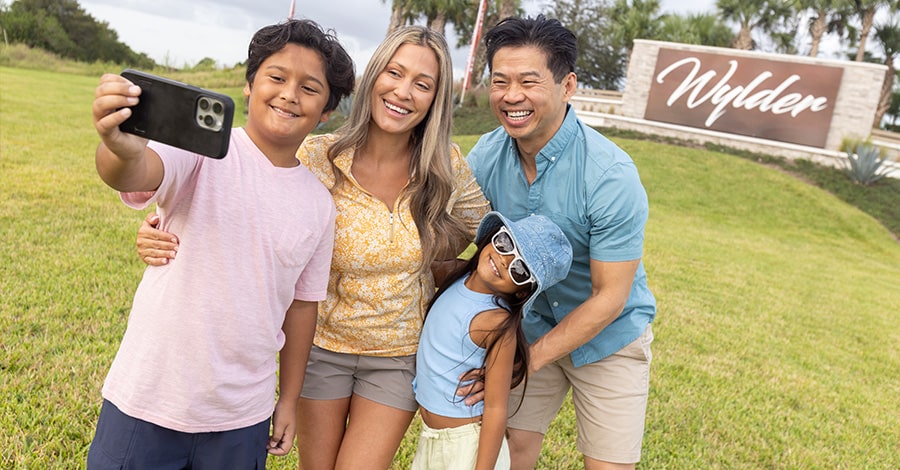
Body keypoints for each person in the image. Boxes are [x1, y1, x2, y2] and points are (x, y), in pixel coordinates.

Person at [133, 25, 492, 469]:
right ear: (374, 77)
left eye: (423, 84)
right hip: (320, 348)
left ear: (436, 98)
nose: (403, 92)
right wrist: (162, 225)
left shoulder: (445, 168)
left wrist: (455, 286)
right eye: (394, 74)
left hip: (397, 355)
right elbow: (241, 203)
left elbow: (488, 244)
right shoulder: (316, 155)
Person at [86, 19, 355, 469]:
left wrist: (287, 400)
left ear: (327, 110)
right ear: (249, 86)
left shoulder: (318, 206)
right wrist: (122, 148)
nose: (290, 94)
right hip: (148, 397)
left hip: (241, 418)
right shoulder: (201, 150)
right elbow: (135, 173)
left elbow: (303, 307)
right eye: (276, 77)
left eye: (310, 88)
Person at [464, 15, 657, 470]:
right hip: (526, 323)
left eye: (529, 81)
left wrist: (526, 359)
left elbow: (610, 296)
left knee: (608, 464)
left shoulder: (609, 175)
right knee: (508, 449)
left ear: (567, 85)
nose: (512, 96)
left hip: (610, 336)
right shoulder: (486, 156)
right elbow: (454, 242)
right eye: (500, 81)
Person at [412, 212, 572, 470]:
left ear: (522, 290)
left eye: (519, 270)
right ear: (493, 236)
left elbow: (496, 409)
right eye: (505, 243)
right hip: (431, 438)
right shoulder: (454, 274)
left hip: (466, 447)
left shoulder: (496, 324)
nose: (504, 260)